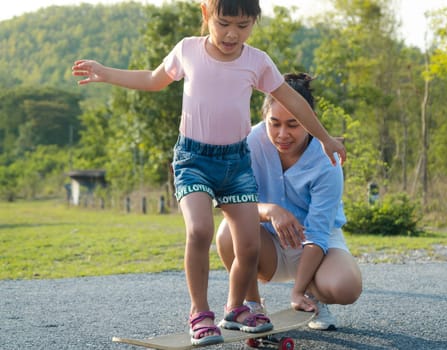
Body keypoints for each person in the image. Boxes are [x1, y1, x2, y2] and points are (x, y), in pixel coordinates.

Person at [71, 0, 346, 346]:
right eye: (224, 22)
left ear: (254, 23)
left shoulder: (257, 61)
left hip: (236, 164)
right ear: (205, 14)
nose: (233, 33)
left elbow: (292, 101)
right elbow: (154, 80)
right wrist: (106, 73)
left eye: (243, 25)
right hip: (193, 160)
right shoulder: (188, 50)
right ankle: (200, 313)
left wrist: (325, 139)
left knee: (247, 244)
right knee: (200, 230)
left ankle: (237, 308)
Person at [216, 73, 362, 331]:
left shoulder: (327, 159)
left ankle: (312, 296)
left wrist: (297, 291)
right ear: (264, 118)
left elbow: (318, 233)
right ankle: (252, 306)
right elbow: (229, 201)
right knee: (229, 230)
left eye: (293, 125)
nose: (282, 134)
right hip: (266, 243)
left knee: (346, 287)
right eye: (275, 123)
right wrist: (269, 211)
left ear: (310, 121)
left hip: (317, 245)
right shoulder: (249, 143)